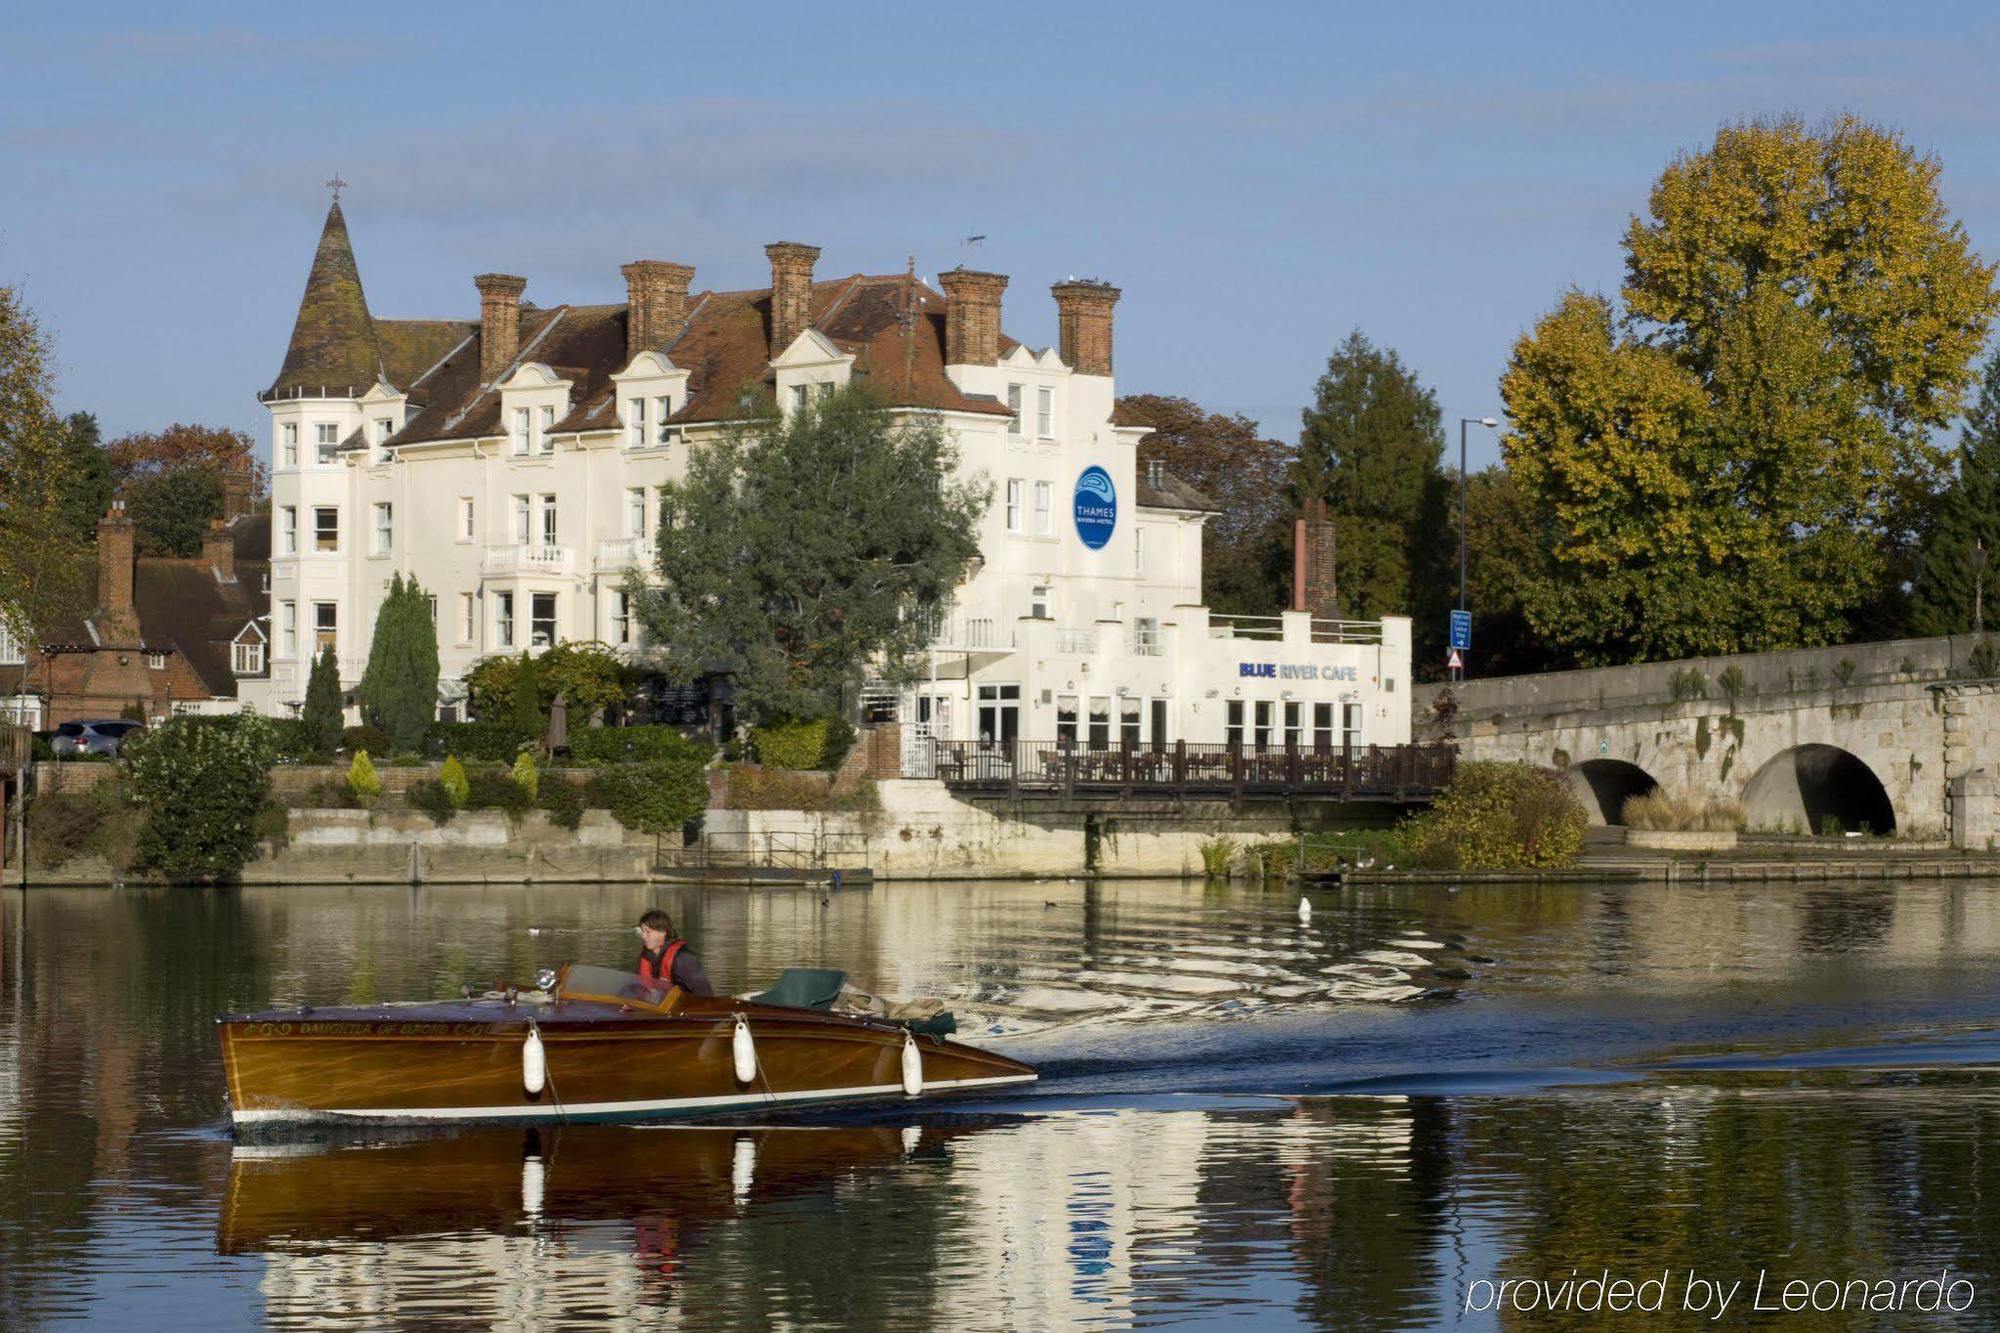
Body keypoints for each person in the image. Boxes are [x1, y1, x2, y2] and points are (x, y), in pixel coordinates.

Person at [635, 909, 714, 996]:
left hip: (685, 1007)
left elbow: (705, 994)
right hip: (656, 1006)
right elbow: (637, 988)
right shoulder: (645, 956)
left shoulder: (683, 958)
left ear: (663, 932)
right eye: (642, 931)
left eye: (648, 931)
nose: (643, 936)